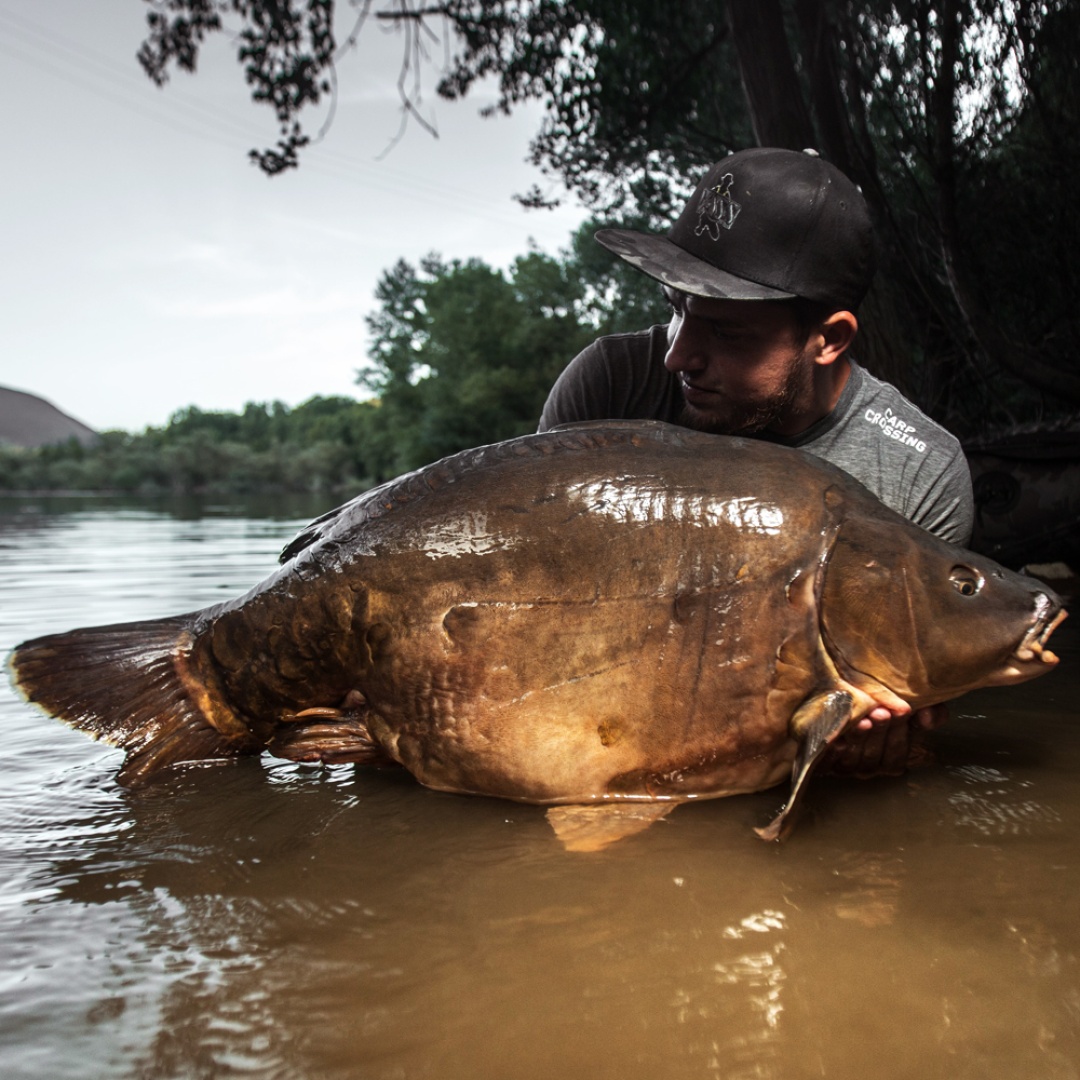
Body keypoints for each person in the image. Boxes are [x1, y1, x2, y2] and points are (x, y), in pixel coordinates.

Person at [538, 147, 975, 776]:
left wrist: (876, 742)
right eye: (675, 308)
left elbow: (897, 692)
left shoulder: (918, 474)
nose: (678, 356)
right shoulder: (608, 387)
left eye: (727, 332)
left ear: (829, 339)